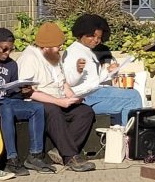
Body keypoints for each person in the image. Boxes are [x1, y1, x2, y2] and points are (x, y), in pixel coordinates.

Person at [0, 28, 56, 176]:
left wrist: (22, 92)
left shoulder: (12, 64)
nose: (7, 53)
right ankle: (12, 159)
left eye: (11, 49)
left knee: (37, 108)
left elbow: (13, 93)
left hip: (8, 101)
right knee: (6, 109)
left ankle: (35, 155)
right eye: (4, 49)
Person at [17, 22, 96, 172]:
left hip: (59, 98)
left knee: (85, 112)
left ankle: (59, 151)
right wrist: (59, 101)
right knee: (53, 111)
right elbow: (27, 91)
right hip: (38, 101)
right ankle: (71, 156)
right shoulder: (29, 58)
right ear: (45, 47)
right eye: (57, 45)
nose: (60, 48)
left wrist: (73, 96)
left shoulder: (53, 56)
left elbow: (63, 82)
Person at [63, 14, 143, 125]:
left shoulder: (86, 50)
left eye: (99, 37)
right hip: (85, 95)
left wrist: (108, 71)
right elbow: (68, 81)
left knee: (130, 97)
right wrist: (78, 71)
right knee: (132, 97)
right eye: (92, 36)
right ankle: (130, 138)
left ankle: (123, 135)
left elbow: (92, 79)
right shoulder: (73, 52)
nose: (96, 40)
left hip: (91, 94)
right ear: (81, 34)